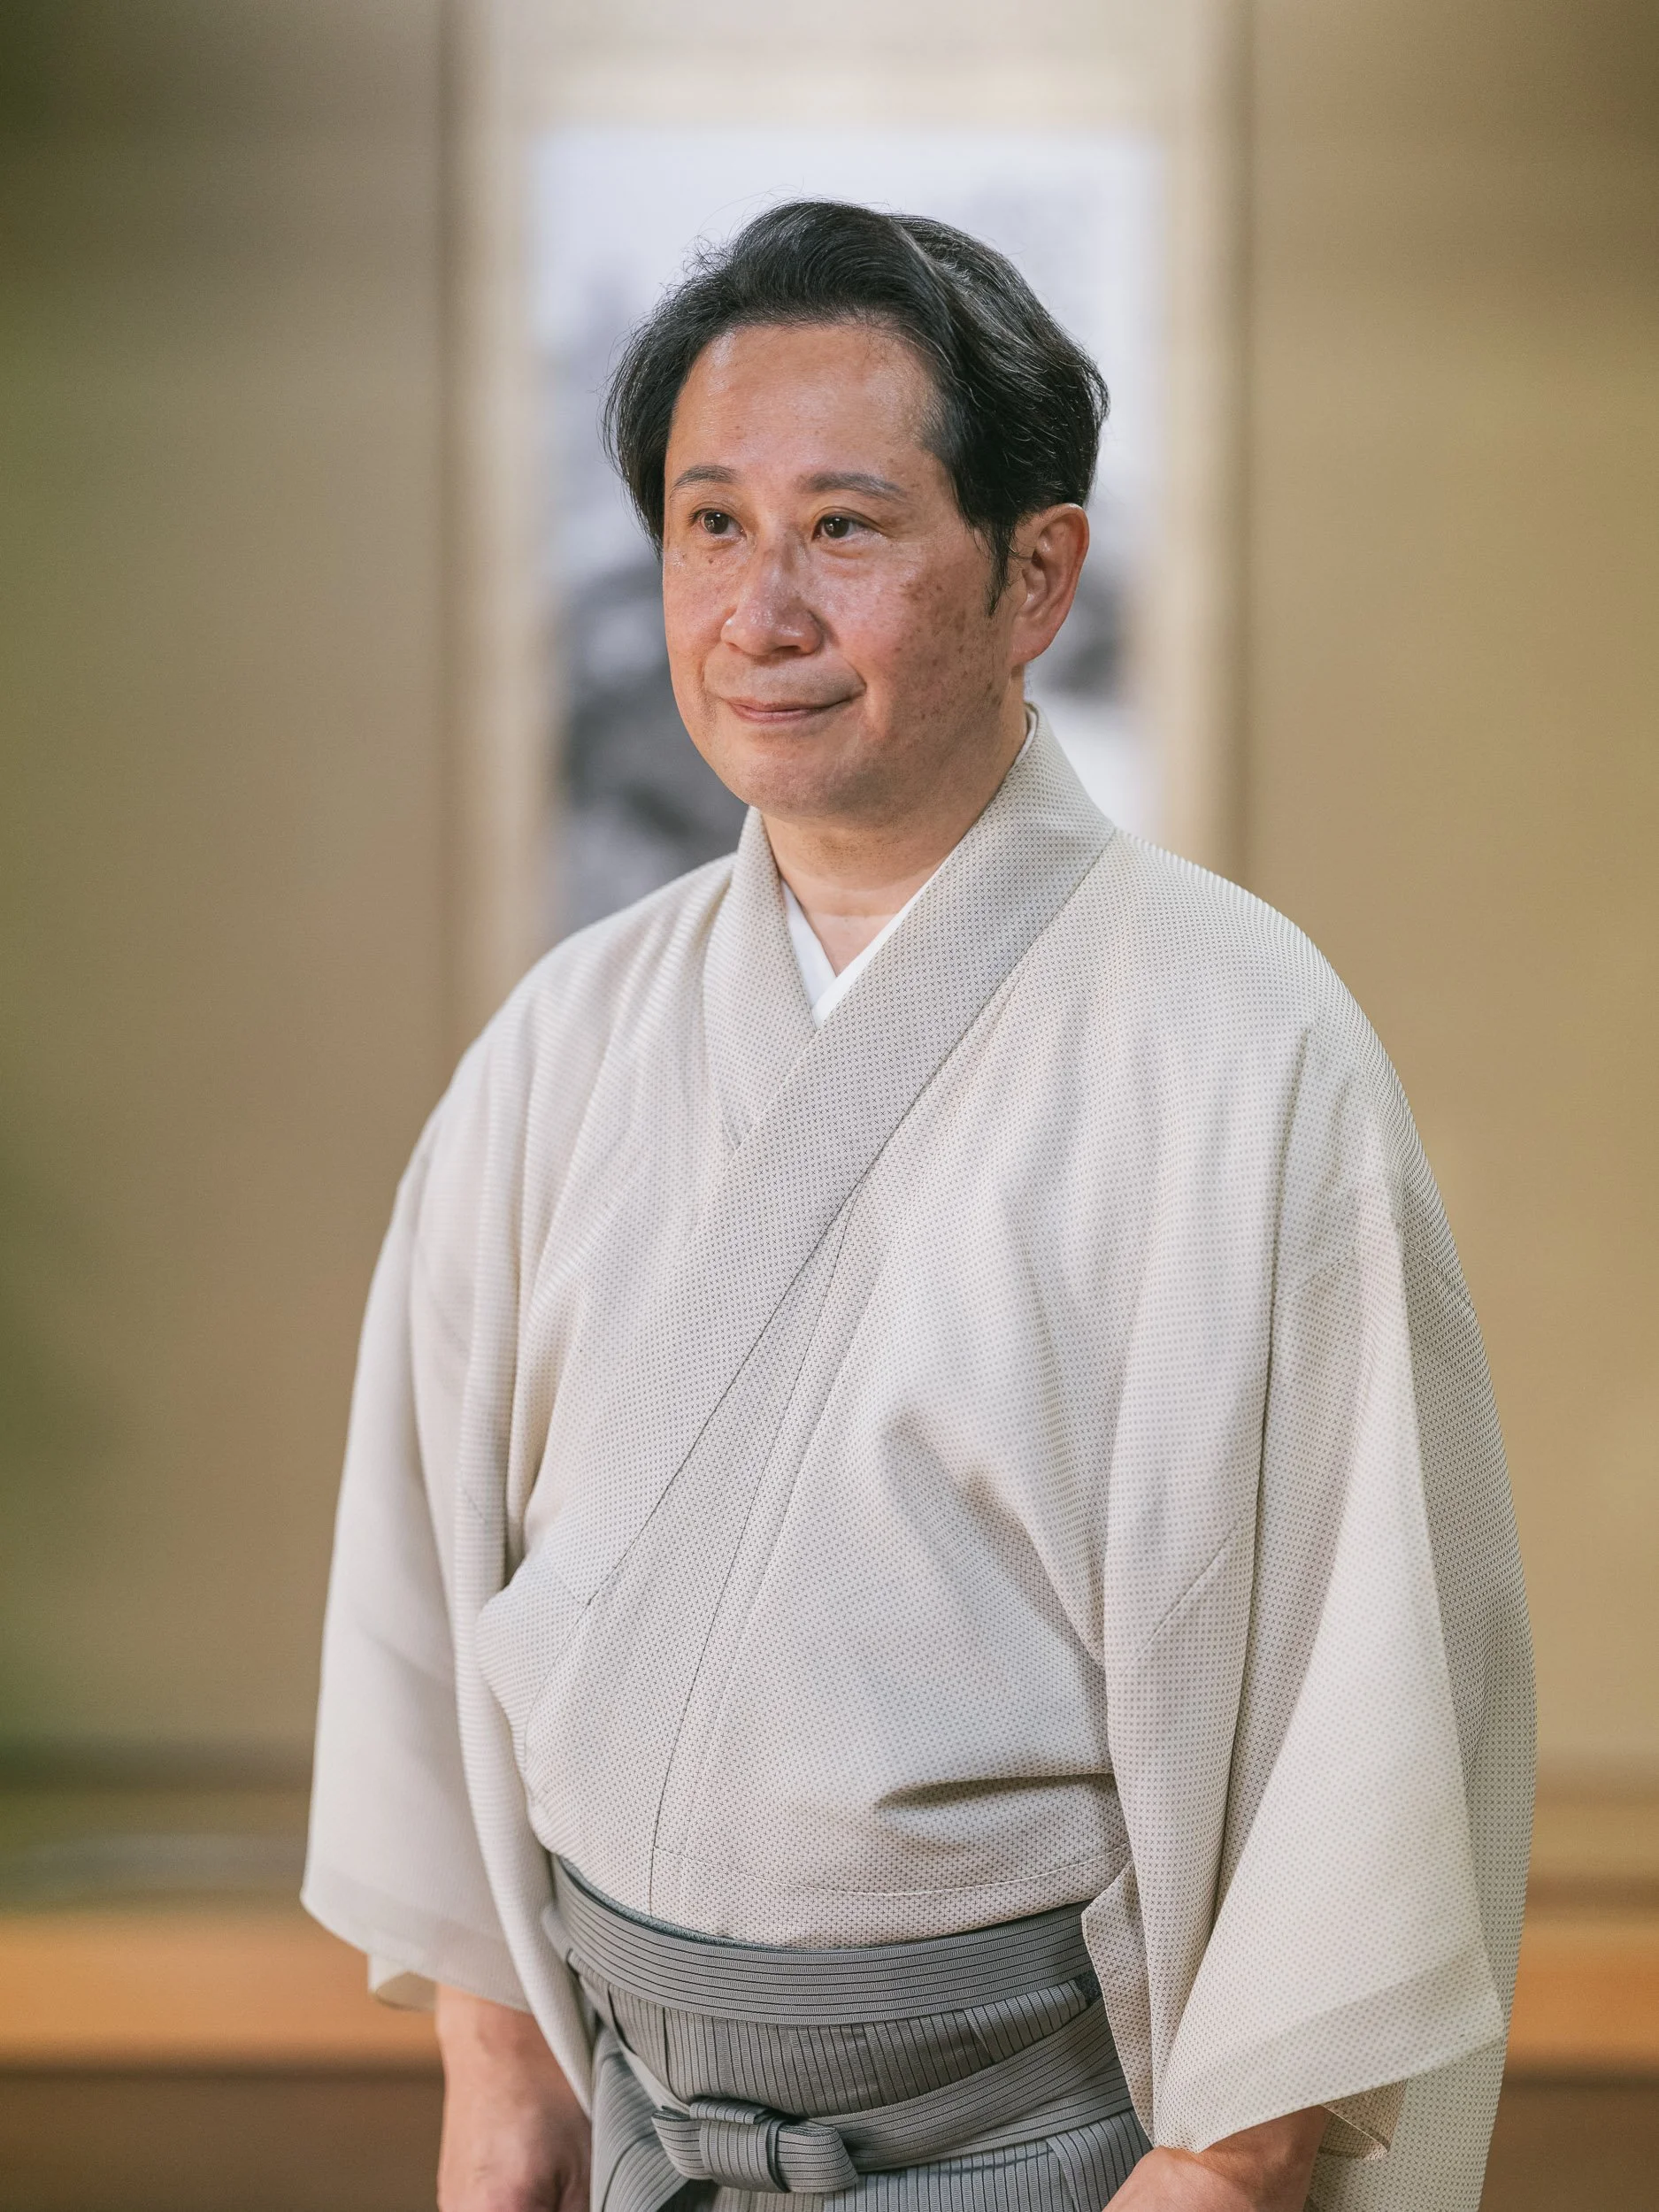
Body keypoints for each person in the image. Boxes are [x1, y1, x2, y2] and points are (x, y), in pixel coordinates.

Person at [303, 203, 1532, 2212]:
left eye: (845, 530)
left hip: (1046, 2143)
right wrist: (502, 2098)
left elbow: (1353, 1704)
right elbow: (424, 1619)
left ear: (1036, 571)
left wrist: (1222, 2173)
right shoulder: (566, 1043)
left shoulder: (1238, 1045)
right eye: (711, 525)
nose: (758, 611)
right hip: (645, 2136)